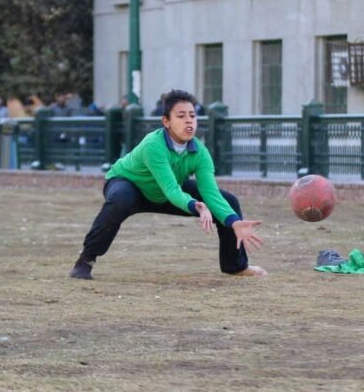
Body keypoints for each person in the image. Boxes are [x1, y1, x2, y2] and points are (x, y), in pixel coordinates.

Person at [69, 89, 266, 280]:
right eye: (181, 116)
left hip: (165, 192)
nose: (189, 120)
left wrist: (233, 221)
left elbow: (211, 193)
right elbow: (171, 188)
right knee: (120, 199)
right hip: (130, 184)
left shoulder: (200, 152)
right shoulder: (153, 145)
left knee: (229, 202)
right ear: (166, 121)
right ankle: (86, 260)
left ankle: (236, 266)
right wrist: (194, 204)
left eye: (192, 115)